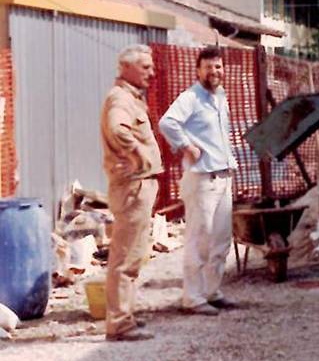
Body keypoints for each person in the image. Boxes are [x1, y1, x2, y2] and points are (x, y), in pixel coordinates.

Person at [159, 46, 239, 316]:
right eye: (208, 67)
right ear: (198, 70)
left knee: (221, 240)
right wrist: (186, 146)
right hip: (202, 179)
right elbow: (167, 123)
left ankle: (212, 292)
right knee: (199, 239)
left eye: (218, 66)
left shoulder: (220, 97)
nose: (214, 71)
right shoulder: (191, 97)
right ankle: (192, 298)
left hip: (223, 176)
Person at [101, 44, 163, 341]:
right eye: (145, 67)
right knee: (125, 257)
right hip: (132, 187)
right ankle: (118, 323)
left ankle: (125, 315)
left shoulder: (131, 98)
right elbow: (117, 129)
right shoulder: (120, 100)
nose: (151, 73)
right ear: (126, 67)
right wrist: (136, 153)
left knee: (134, 255)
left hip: (139, 185)